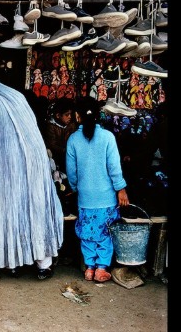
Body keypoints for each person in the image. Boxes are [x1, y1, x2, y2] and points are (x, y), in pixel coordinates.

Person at [0, 71, 63, 280]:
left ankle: (13, 262)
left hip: (6, 167)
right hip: (35, 162)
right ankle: (44, 263)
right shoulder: (16, 96)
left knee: (10, 211)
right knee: (37, 209)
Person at [65, 96, 130, 283]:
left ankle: (89, 268)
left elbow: (72, 172)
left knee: (87, 232)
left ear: (78, 116)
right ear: (98, 115)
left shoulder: (73, 140)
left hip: (86, 198)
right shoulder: (108, 137)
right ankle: (101, 268)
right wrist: (121, 189)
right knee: (105, 233)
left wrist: (77, 187)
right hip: (107, 197)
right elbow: (114, 168)